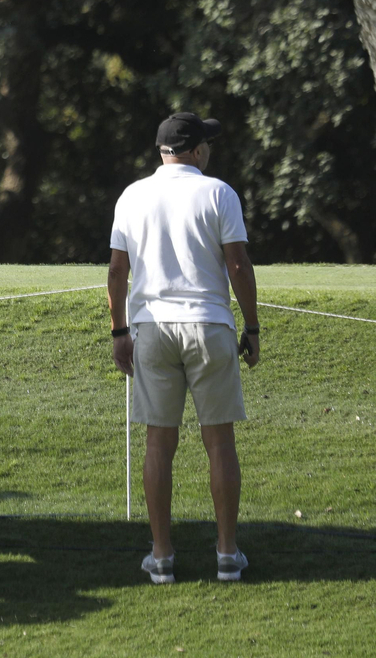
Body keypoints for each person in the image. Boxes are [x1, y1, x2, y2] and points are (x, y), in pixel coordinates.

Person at [108, 112, 259, 585]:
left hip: (151, 328)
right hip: (209, 324)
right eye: (206, 144)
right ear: (195, 151)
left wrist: (118, 332)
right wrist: (252, 326)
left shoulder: (132, 195)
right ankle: (228, 554)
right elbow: (237, 263)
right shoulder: (219, 193)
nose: (209, 151)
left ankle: (162, 556)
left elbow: (117, 271)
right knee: (219, 442)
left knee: (159, 442)